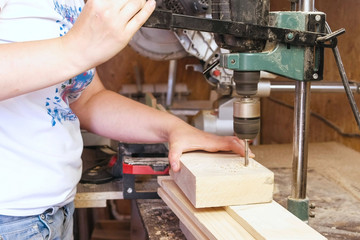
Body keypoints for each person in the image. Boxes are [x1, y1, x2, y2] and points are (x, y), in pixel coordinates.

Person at [0, 0, 253, 239]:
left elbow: (88, 99)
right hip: (9, 220)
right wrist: (74, 49)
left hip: (55, 211)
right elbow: (72, 54)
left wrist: (174, 128)